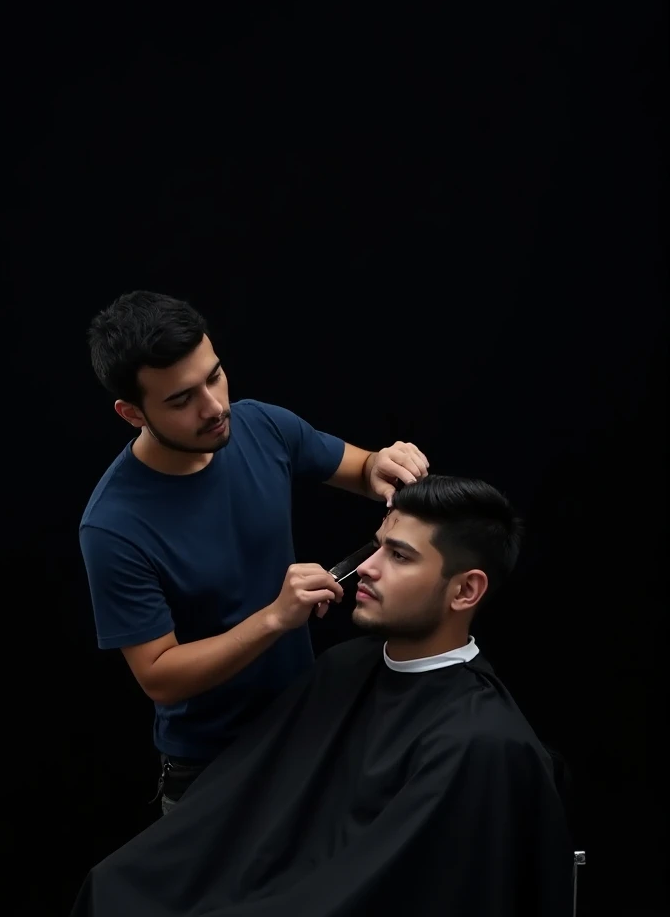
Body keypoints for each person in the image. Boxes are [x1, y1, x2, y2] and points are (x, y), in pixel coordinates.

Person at [72, 475, 573, 917]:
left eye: (399, 556)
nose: (369, 568)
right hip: (272, 886)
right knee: (115, 887)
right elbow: (243, 812)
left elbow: (384, 889)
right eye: (376, 546)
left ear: (465, 591)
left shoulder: (481, 743)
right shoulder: (344, 667)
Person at [80, 290, 429, 811]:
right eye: (181, 399)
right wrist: (275, 619)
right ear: (132, 412)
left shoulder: (261, 425)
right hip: (210, 771)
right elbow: (160, 675)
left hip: (307, 735)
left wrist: (383, 462)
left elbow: (361, 468)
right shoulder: (112, 525)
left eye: (214, 376)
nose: (215, 407)